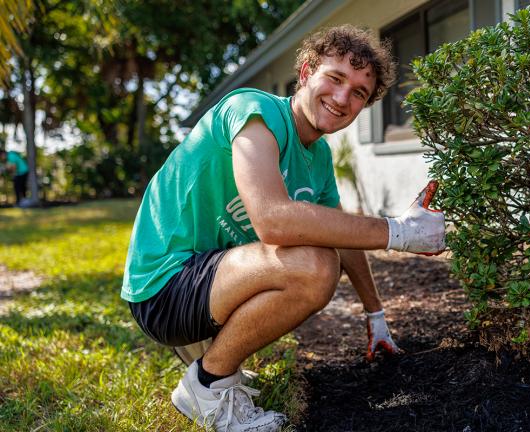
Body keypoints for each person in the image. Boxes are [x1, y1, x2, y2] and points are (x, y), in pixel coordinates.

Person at [121, 25, 445, 432]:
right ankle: (207, 384)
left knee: (321, 254)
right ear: (307, 71)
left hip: (211, 285)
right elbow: (271, 218)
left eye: (359, 93)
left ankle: (214, 363)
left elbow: (342, 239)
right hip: (163, 289)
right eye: (336, 78)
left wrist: (375, 314)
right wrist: (398, 232)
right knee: (313, 265)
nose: (343, 98)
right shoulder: (253, 111)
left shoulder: (318, 157)